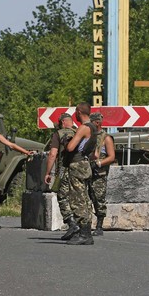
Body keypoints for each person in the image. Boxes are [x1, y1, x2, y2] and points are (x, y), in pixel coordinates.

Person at [62, 102, 97, 245]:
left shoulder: (83, 128)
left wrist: (67, 141)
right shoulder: (94, 127)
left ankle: (84, 233)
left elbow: (70, 148)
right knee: (84, 198)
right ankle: (87, 232)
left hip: (77, 164)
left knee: (77, 198)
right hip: (86, 164)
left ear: (78, 111)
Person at [44, 112, 78, 240]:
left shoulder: (58, 134)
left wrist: (48, 173)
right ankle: (82, 225)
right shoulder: (79, 132)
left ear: (62, 122)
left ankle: (72, 223)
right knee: (78, 196)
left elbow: (52, 154)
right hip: (79, 168)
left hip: (64, 168)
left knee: (62, 195)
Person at [87, 112, 116, 236]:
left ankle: (99, 225)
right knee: (87, 199)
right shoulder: (88, 136)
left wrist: (98, 163)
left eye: (92, 122)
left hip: (99, 173)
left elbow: (111, 157)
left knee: (99, 198)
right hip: (87, 171)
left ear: (97, 122)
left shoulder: (106, 138)